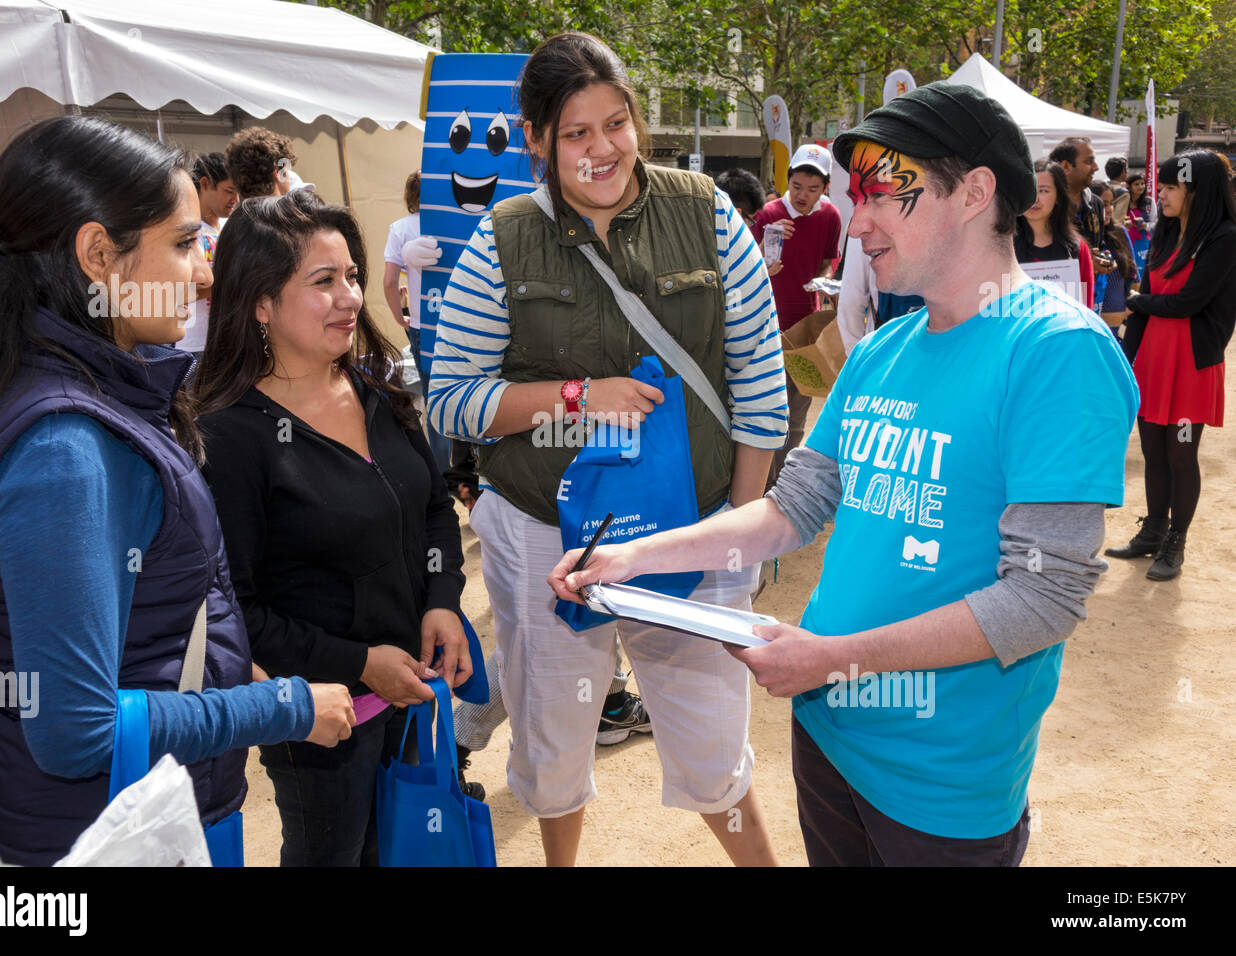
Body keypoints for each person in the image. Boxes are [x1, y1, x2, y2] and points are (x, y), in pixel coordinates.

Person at [551, 83, 1140, 867]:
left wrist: (833, 658)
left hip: (942, 778)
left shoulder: (1056, 351)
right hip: (829, 733)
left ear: (973, 192)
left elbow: (1043, 597)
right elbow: (791, 508)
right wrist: (636, 556)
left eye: (882, 196)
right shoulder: (875, 353)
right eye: (854, 197)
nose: (856, 223)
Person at [0, 116, 355, 866]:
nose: (205, 273)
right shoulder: (62, 448)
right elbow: (75, 730)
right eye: (186, 243)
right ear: (99, 255)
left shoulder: (85, 388)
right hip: (99, 837)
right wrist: (283, 705)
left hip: (143, 814)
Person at [429, 31, 786, 867]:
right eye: (576, 133)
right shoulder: (505, 235)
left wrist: (738, 524)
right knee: (554, 738)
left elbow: (760, 383)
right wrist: (577, 400)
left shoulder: (704, 209)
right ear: (538, 141)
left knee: (710, 739)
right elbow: (454, 398)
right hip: (546, 537)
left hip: (690, 530)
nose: (602, 150)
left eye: (615, 123)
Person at [192, 188, 471, 866]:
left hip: (411, 695)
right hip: (317, 723)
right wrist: (360, 665)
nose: (351, 296)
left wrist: (442, 602)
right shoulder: (228, 437)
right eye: (324, 281)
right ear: (260, 301)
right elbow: (239, 614)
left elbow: (433, 505)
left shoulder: (375, 390)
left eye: (351, 275)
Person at [1106, 150, 1236, 580]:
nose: (1160, 193)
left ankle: (1176, 541)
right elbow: (1150, 300)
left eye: (1170, 186)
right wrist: (1126, 353)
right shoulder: (1164, 233)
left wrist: (1139, 300)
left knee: (1181, 454)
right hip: (1155, 360)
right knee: (1152, 451)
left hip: (1191, 368)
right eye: (1160, 185)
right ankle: (1153, 531)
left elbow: (1188, 302)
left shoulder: (1224, 237)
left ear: (1197, 191)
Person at [750, 143, 843, 484]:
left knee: (799, 409)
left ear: (826, 188)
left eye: (813, 189)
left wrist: (826, 282)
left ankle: (782, 483)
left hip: (806, 327)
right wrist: (768, 245)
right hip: (766, 325)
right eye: (797, 186)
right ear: (787, 180)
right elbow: (750, 267)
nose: (803, 195)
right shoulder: (768, 215)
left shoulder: (831, 216)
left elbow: (828, 261)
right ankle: (761, 482)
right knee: (768, 408)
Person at [383, 170, 450, 471]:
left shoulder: (400, 228)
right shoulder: (454, 225)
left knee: (432, 397)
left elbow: (388, 281)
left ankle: (441, 472)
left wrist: (401, 317)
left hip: (423, 325)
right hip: (459, 321)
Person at [177, 152, 238, 359]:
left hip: (227, 340)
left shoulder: (228, 227)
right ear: (204, 184)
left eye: (238, 192)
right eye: (229, 191)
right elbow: (180, 290)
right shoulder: (187, 232)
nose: (235, 200)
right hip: (195, 344)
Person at [1013, 160, 1094, 308]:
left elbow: (1085, 308)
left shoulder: (1076, 248)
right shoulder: (1002, 246)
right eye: (1029, 190)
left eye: (1043, 190)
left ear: (1058, 196)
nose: (1034, 199)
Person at [1050, 137, 1115, 279]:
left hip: (1089, 294)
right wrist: (1084, 262)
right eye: (1089, 162)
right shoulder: (1045, 205)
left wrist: (1101, 258)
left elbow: (1099, 243)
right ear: (1066, 166)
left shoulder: (1096, 203)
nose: (1096, 167)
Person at [225, 126, 297, 200]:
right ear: (277, 173)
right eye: (286, 172)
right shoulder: (292, 210)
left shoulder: (238, 211)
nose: (289, 178)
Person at [1105, 155, 1131, 225]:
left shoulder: (1101, 188)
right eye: (1126, 170)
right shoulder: (1124, 193)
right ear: (1123, 171)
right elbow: (1118, 220)